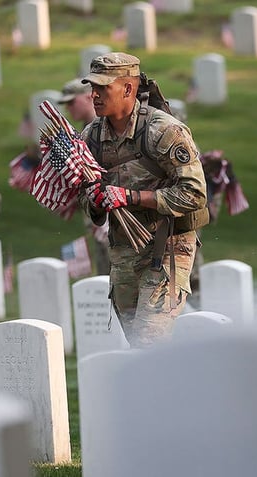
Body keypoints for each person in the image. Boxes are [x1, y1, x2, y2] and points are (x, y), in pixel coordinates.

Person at [79, 52, 208, 347]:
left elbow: (195, 193)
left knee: (150, 344)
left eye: (102, 88)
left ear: (128, 88)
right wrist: (97, 200)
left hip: (167, 248)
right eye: (92, 88)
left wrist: (132, 197)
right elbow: (86, 201)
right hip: (123, 249)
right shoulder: (92, 137)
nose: (94, 95)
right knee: (139, 347)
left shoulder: (164, 131)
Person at [58, 78, 111, 276]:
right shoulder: (83, 135)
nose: (69, 108)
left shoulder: (105, 130)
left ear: (90, 96)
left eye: (72, 102)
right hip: (96, 217)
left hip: (114, 217)